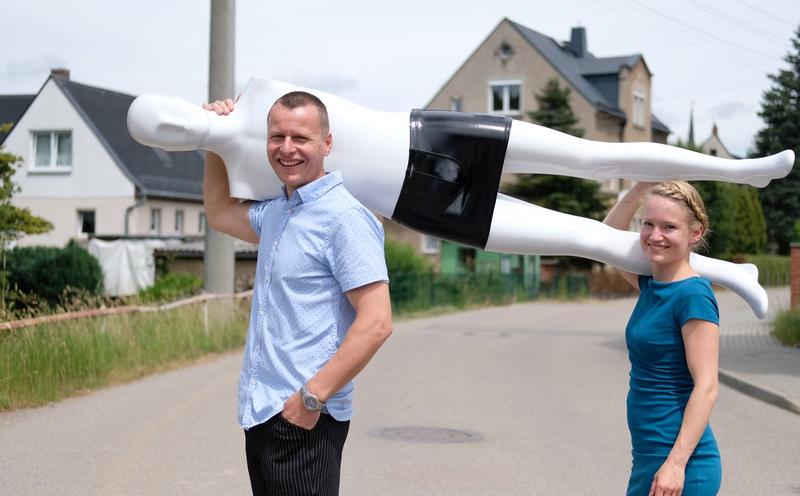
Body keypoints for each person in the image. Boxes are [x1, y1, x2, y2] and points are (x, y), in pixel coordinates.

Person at [127, 77, 796, 318]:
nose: (172, 124)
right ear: (166, 144)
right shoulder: (245, 172)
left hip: (435, 133)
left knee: (600, 154)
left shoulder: (265, 91)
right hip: (425, 207)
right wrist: (214, 148)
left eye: (166, 112)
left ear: (176, 101)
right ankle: (732, 273)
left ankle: (745, 170)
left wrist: (228, 113)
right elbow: (220, 213)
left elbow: (286, 123)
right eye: (162, 132)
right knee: (583, 237)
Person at [202, 92, 393, 496]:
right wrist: (216, 138)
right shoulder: (278, 213)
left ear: (327, 144)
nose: (287, 148)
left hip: (305, 418)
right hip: (264, 414)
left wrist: (311, 398)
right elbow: (218, 211)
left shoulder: (344, 217)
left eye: (300, 138)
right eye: (277, 136)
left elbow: (377, 322)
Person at [603, 181, 721, 496]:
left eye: (669, 226)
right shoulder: (651, 286)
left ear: (695, 233)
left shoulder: (693, 295)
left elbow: (707, 387)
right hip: (648, 459)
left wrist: (676, 465)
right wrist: (643, 183)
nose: (655, 235)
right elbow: (606, 237)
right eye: (649, 224)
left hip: (679, 465)